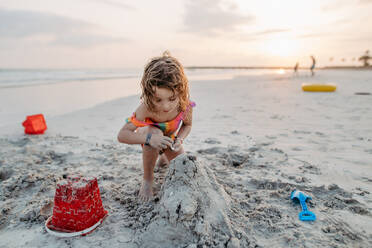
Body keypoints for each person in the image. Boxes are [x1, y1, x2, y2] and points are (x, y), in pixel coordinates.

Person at [117, 51, 195, 202]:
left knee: (182, 165)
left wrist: (179, 139)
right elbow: (122, 135)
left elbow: (187, 125)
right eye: (158, 100)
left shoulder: (185, 105)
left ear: (181, 91)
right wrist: (149, 139)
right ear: (148, 94)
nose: (166, 106)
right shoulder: (146, 108)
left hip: (169, 138)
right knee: (156, 134)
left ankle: (163, 158)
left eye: (172, 99)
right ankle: (147, 179)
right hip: (149, 136)